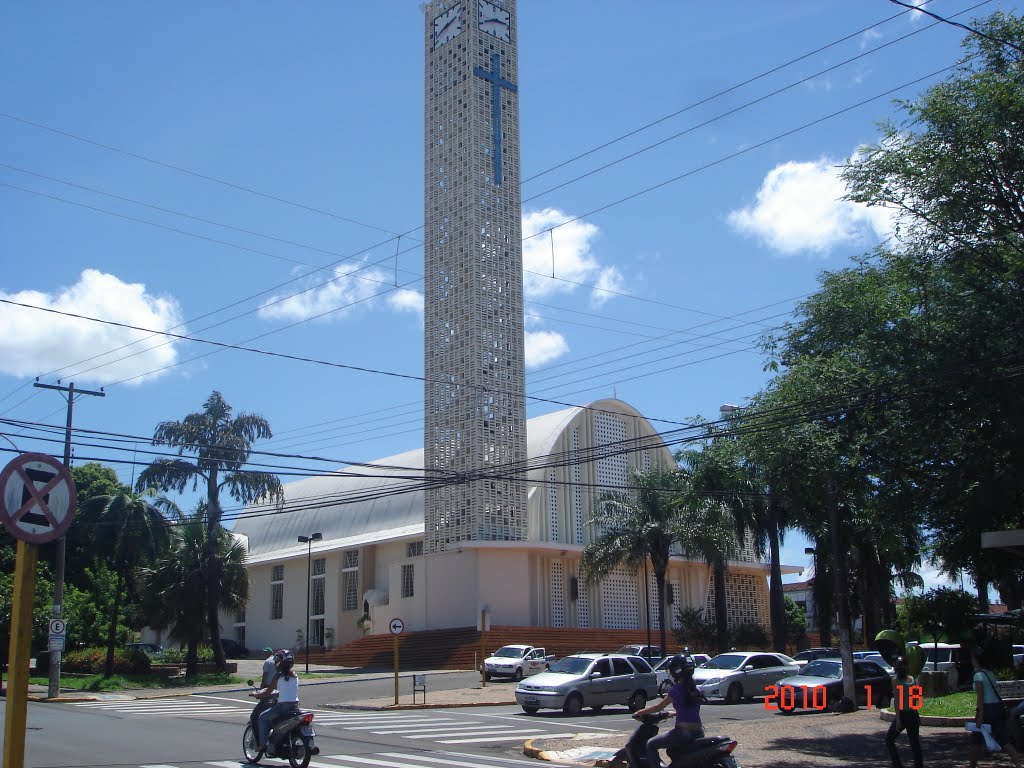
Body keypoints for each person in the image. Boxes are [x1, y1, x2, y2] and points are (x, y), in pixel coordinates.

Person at [634, 654, 704, 768]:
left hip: (683, 732)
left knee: (651, 744)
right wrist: (673, 713)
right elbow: (689, 708)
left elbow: (658, 707)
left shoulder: (675, 690)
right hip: (698, 732)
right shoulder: (696, 689)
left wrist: (640, 712)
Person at [968, 647, 1022, 768]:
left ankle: (972, 765)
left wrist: (980, 715)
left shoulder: (978, 675)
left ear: (976, 660)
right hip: (997, 707)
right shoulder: (990, 673)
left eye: (972, 658)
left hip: (986, 708)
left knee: (976, 738)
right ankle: (1018, 763)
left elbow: (980, 696)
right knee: (1003, 737)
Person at [252, 650, 300, 752]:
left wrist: (256, 694)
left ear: (279, 662)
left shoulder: (278, 676)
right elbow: (286, 690)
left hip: (282, 707)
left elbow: (267, 692)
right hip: (295, 707)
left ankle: (262, 745)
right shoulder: (295, 675)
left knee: (262, 717)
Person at [885, 656, 923, 768]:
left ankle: (897, 764)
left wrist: (898, 720)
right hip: (913, 713)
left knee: (889, 739)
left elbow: (897, 702)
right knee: (915, 744)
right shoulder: (912, 679)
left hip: (903, 714)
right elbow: (917, 699)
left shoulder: (895, 681)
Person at [248, 647, 278, 735]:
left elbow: (265, 675)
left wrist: (261, 687)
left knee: (259, 714)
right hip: (278, 688)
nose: (263, 654)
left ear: (268, 653)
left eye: (265, 652)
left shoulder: (267, 662)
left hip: (268, 686)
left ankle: (261, 740)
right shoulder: (276, 661)